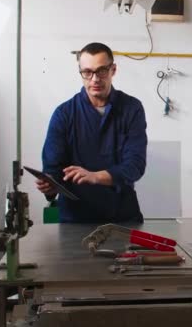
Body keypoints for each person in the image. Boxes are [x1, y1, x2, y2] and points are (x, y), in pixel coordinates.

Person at [36, 42, 147, 223]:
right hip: (76, 220)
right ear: (80, 72)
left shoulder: (131, 109)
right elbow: (53, 168)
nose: (94, 79)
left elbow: (135, 166)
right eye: (87, 72)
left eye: (101, 71)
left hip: (122, 217)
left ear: (113, 70)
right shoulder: (64, 114)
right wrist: (50, 185)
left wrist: (96, 177)